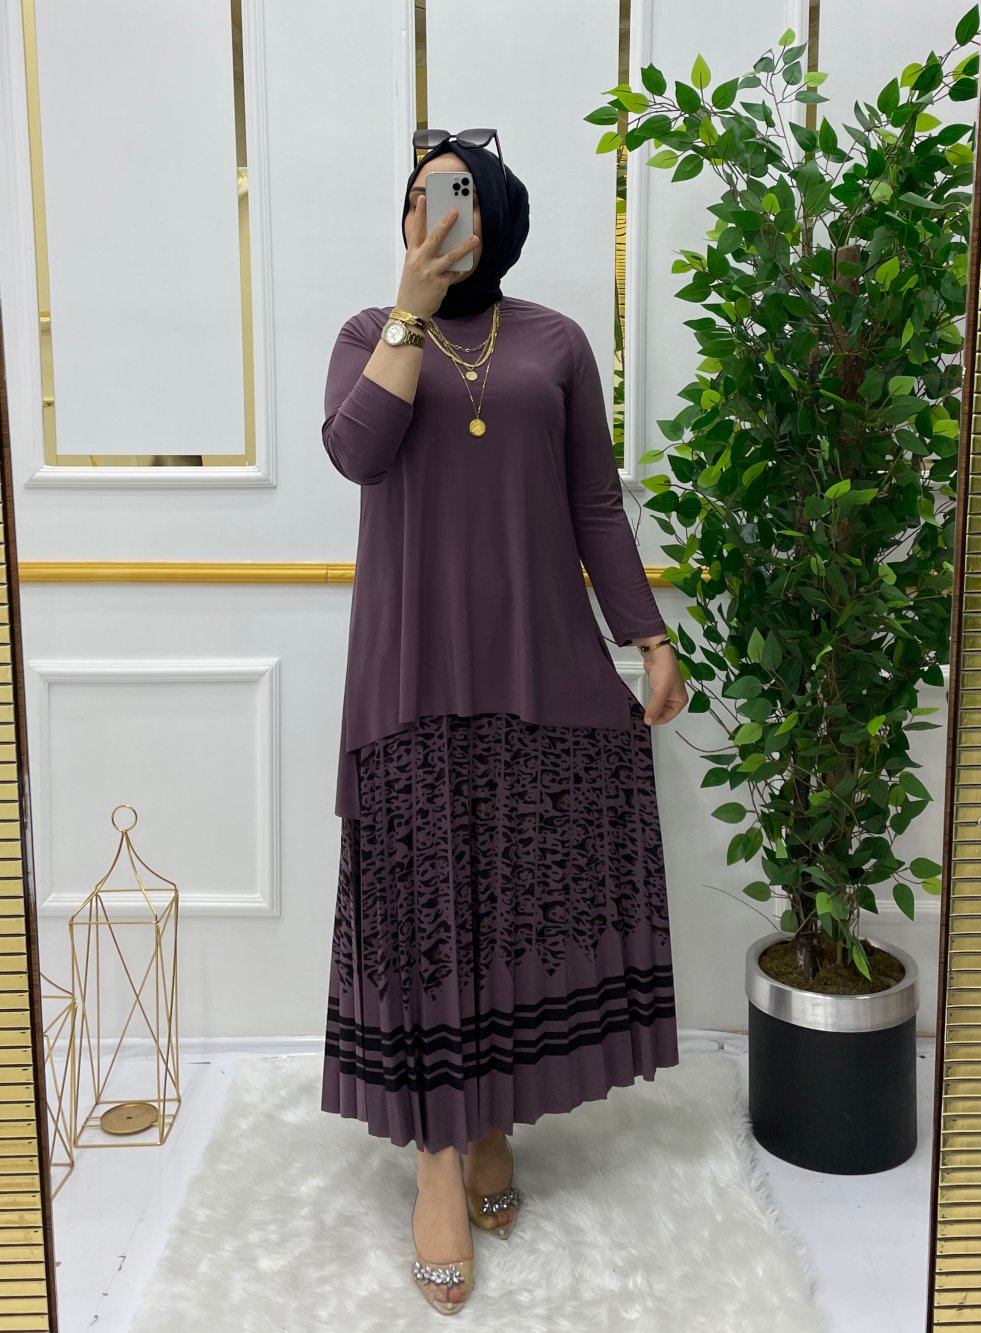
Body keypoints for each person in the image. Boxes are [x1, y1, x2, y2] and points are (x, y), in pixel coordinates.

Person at [319, 130, 688, 1314]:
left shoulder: (557, 342)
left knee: (518, 904)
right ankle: (439, 1159)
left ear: (502, 217)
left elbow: (592, 501)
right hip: (413, 674)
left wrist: (648, 635)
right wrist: (409, 312)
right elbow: (356, 453)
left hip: (540, 663)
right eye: (418, 196)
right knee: (427, 915)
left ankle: (489, 1123)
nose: (434, 214)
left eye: (459, 195)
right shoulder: (367, 335)